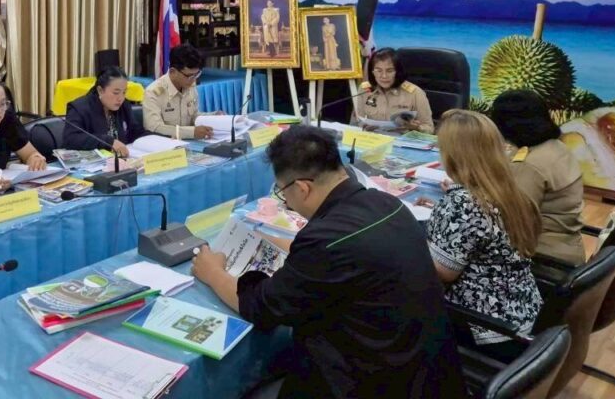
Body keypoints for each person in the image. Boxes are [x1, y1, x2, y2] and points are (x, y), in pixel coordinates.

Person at [191, 126, 466, 398]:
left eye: (282, 193)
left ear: (302, 188)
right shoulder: (385, 203)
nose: (286, 202)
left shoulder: (325, 242)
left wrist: (213, 272)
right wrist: (273, 241)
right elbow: (345, 253)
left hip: (375, 381)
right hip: (430, 372)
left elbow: (261, 306)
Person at [421, 110, 543, 359]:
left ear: (453, 155)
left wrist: (409, 235)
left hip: (487, 326)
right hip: (524, 313)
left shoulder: (462, 204)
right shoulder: (506, 189)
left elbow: (443, 272)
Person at [491, 89, 585, 264]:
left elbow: (509, 222)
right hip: (568, 250)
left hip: (541, 260)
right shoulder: (557, 148)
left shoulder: (529, 165)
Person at [142, 45, 221, 139]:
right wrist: (192, 132)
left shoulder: (189, 86)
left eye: (196, 74)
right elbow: (154, 128)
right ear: (172, 71)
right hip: (166, 144)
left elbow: (194, 116)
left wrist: (213, 117)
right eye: (189, 76)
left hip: (189, 142)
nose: (193, 80)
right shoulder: (153, 92)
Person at [62, 67, 144, 157]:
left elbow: (135, 131)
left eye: (124, 92)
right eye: (116, 93)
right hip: (94, 163)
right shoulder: (80, 107)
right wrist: (108, 141)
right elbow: (71, 139)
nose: (120, 98)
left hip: (123, 160)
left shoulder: (124, 105)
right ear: (100, 90)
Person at [353, 47, 434, 133]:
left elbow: (430, 129)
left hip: (401, 140)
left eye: (389, 71)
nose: (384, 76)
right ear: (372, 72)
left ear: (398, 72)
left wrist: (417, 128)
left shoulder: (415, 93)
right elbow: (357, 122)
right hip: (373, 138)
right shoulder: (364, 89)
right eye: (378, 71)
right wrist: (364, 127)